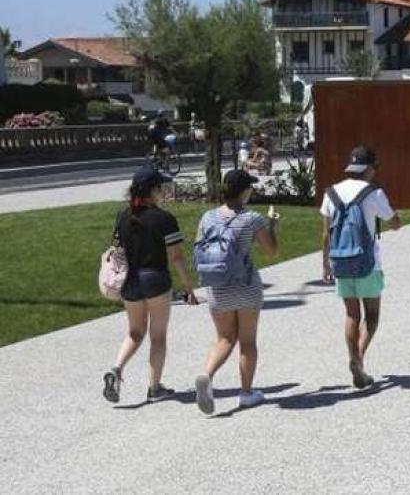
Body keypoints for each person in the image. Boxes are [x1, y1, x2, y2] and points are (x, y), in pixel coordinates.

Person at [102, 166, 199, 404]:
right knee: (158, 336)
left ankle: (116, 369)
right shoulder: (164, 218)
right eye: (161, 187)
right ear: (153, 190)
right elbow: (176, 256)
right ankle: (155, 388)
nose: (163, 191)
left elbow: (117, 250)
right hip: (155, 279)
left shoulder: (123, 216)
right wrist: (188, 288)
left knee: (135, 332)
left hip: (130, 282)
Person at [193, 170, 279, 415]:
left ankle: (206, 375)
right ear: (244, 191)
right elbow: (271, 251)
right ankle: (246, 393)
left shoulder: (208, 217)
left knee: (224, 338)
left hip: (217, 287)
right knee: (247, 341)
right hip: (246, 286)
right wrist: (272, 226)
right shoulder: (252, 219)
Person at [321, 146, 401, 389]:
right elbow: (394, 222)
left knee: (351, 314)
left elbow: (326, 233)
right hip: (367, 262)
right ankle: (358, 359)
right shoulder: (373, 193)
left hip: (340, 261)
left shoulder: (331, 193)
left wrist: (325, 263)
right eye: (375, 168)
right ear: (368, 169)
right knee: (372, 315)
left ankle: (355, 358)